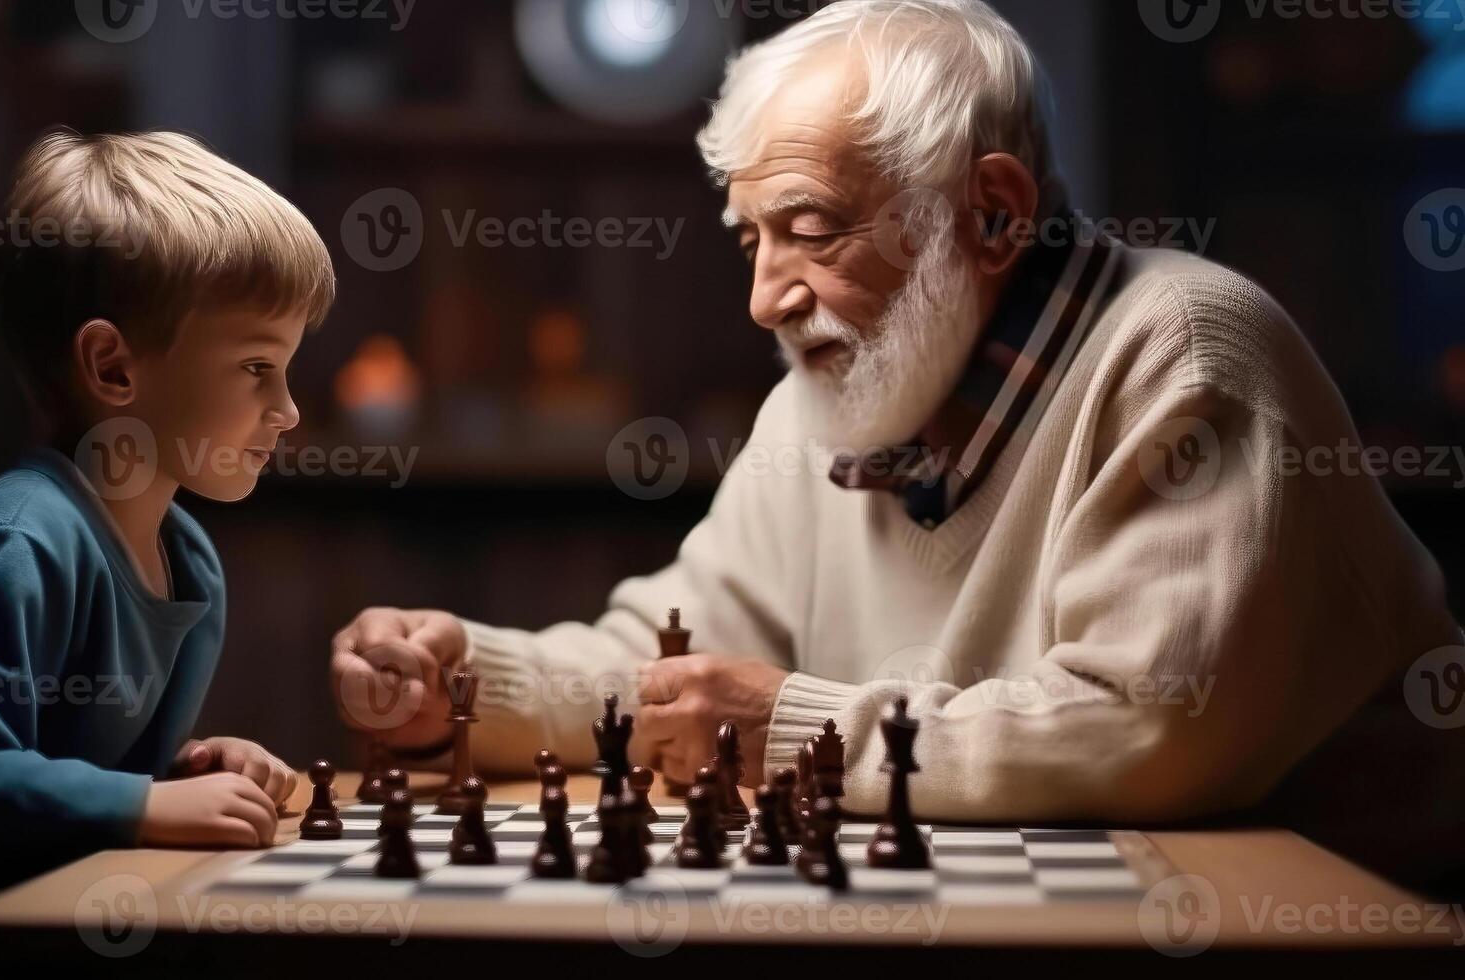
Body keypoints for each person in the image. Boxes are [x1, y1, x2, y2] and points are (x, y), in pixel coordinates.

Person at [331, 0, 1465, 893]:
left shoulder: (1188, 353)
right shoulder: (829, 396)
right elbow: (679, 657)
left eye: (812, 232)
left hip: (1329, 927)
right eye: (753, 238)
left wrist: (789, 726)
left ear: (993, 213)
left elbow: (1150, 728)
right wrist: (471, 683)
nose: (766, 298)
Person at [0, 129, 333, 968]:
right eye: (258, 366)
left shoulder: (187, 558)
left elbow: (60, 776)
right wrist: (144, 805)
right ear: (113, 369)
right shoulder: (22, 542)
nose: (287, 408)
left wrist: (178, 772)